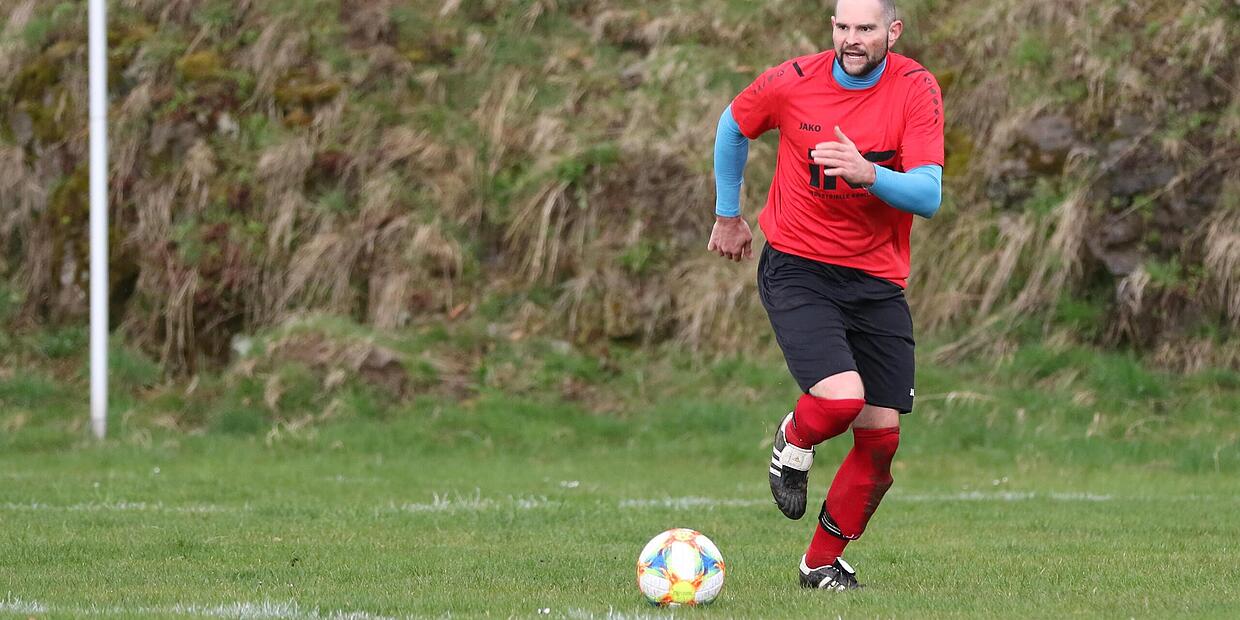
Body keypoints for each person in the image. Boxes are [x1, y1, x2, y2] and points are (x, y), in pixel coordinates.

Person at [707, 0, 944, 590]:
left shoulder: (916, 88)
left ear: (893, 31)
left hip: (877, 281)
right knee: (839, 402)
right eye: (842, 27)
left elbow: (928, 195)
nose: (851, 39)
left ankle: (819, 565)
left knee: (881, 444)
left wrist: (869, 173)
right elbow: (733, 125)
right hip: (799, 267)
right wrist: (728, 214)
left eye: (866, 28)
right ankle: (794, 438)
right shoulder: (793, 81)